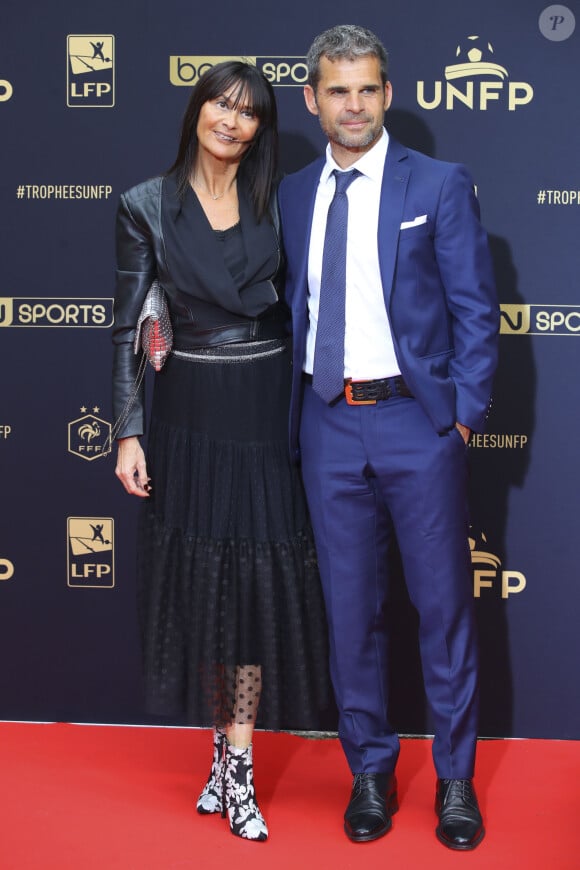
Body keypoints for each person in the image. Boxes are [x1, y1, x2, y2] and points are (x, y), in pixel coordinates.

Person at [278, 25, 499, 850]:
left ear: (388, 94)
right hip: (327, 422)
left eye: (368, 88)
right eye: (338, 90)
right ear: (313, 99)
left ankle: (454, 782)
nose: (354, 105)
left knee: (443, 610)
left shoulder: (438, 184)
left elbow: (478, 309)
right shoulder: (296, 193)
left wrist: (462, 417)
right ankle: (369, 771)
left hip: (417, 423)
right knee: (350, 615)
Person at [112, 60, 330, 843]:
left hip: (265, 409)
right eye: (221, 105)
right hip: (191, 414)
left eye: (249, 112)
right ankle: (221, 757)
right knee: (207, 584)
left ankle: (237, 763)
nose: (232, 121)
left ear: (262, 128)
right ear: (197, 110)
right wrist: (129, 429)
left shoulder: (284, 200)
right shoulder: (144, 205)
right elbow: (129, 323)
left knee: (255, 582)